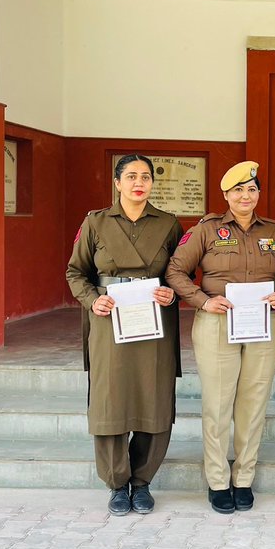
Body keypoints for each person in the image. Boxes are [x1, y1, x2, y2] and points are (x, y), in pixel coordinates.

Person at [165, 160, 275, 515]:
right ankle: (217, 480)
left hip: (263, 325)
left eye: (251, 189)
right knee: (218, 403)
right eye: (238, 190)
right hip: (217, 323)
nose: (245, 196)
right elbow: (176, 271)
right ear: (226, 194)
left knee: (253, 404)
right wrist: (203, 300)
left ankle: (243, 478)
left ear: (258, 194)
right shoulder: (205, 231)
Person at [66, 154, 183, 516]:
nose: (139, 182)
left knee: (154, 396)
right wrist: (92, 300)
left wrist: (172, 291)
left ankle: (143, 480)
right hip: (109, 317)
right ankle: (117, 483)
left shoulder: (168, 224)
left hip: (153, 321)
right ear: (117, 183)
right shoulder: (96, 223)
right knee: (110, 400)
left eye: (146, 176)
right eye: (131, 176)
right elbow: (75, 272)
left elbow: (179, 273)